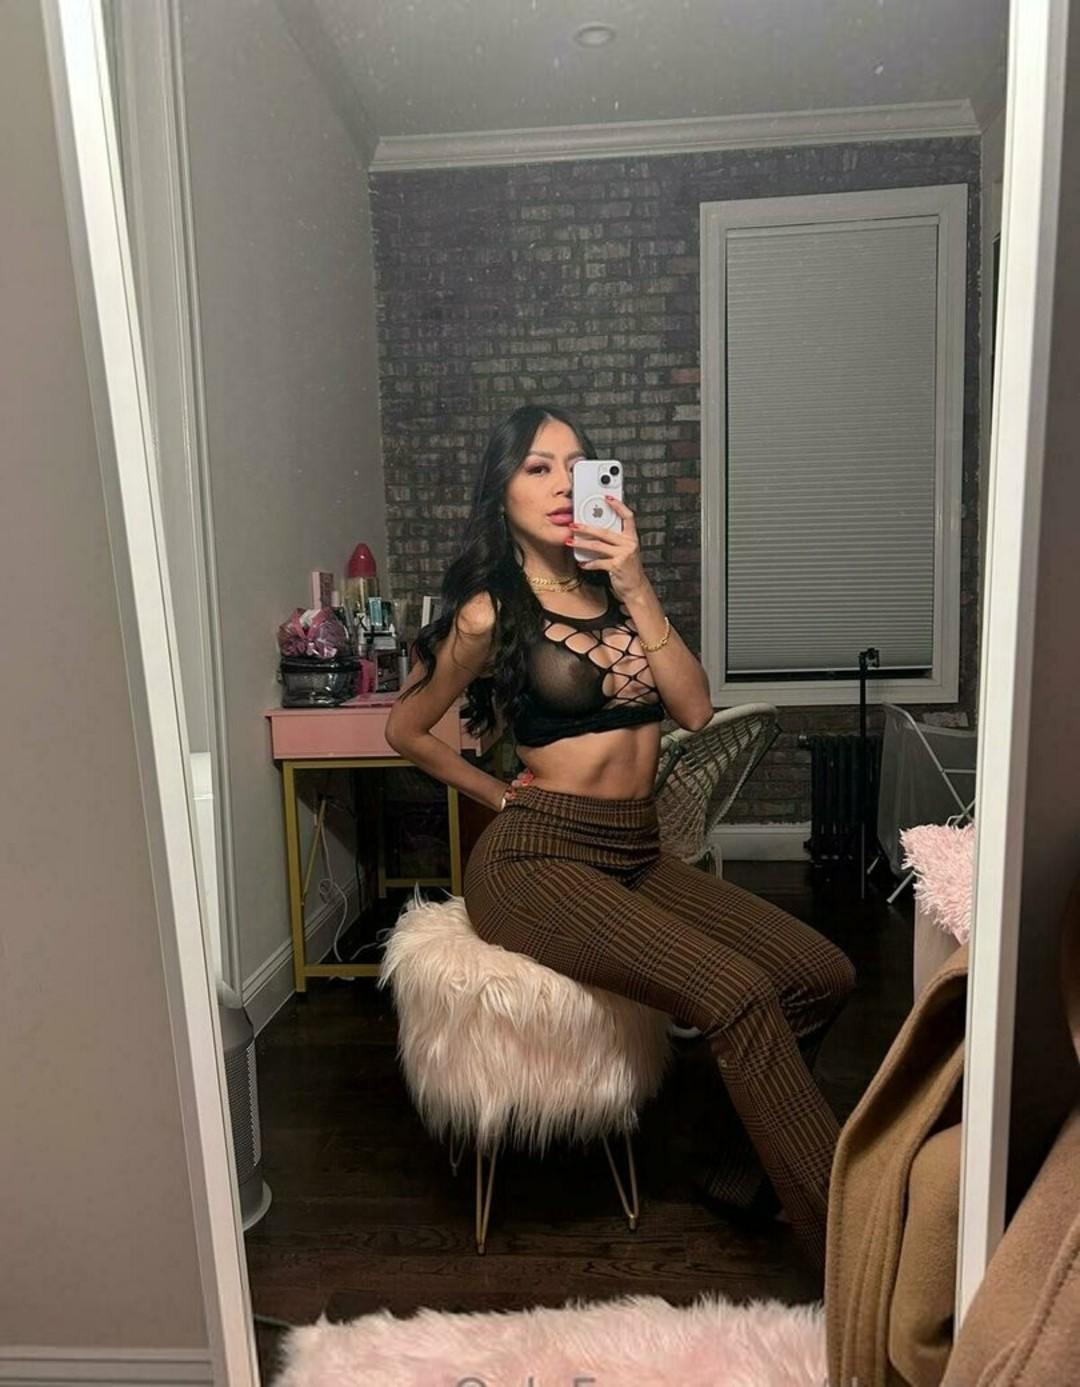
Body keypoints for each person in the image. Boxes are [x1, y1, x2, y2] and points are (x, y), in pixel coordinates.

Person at [386, 403, 855, 1268]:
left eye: (577, 465)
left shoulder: (617, 590)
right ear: (501, 493)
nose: (563, 483)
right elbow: (406, 730)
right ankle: (859, 1249)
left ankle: (736, 1175)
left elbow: (695, 708)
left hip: (635, 850)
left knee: (820, 973)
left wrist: (636, 582)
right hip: (536, 859)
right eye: (537, 467)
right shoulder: (490, 613)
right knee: (736, 994)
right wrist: (499, 794)